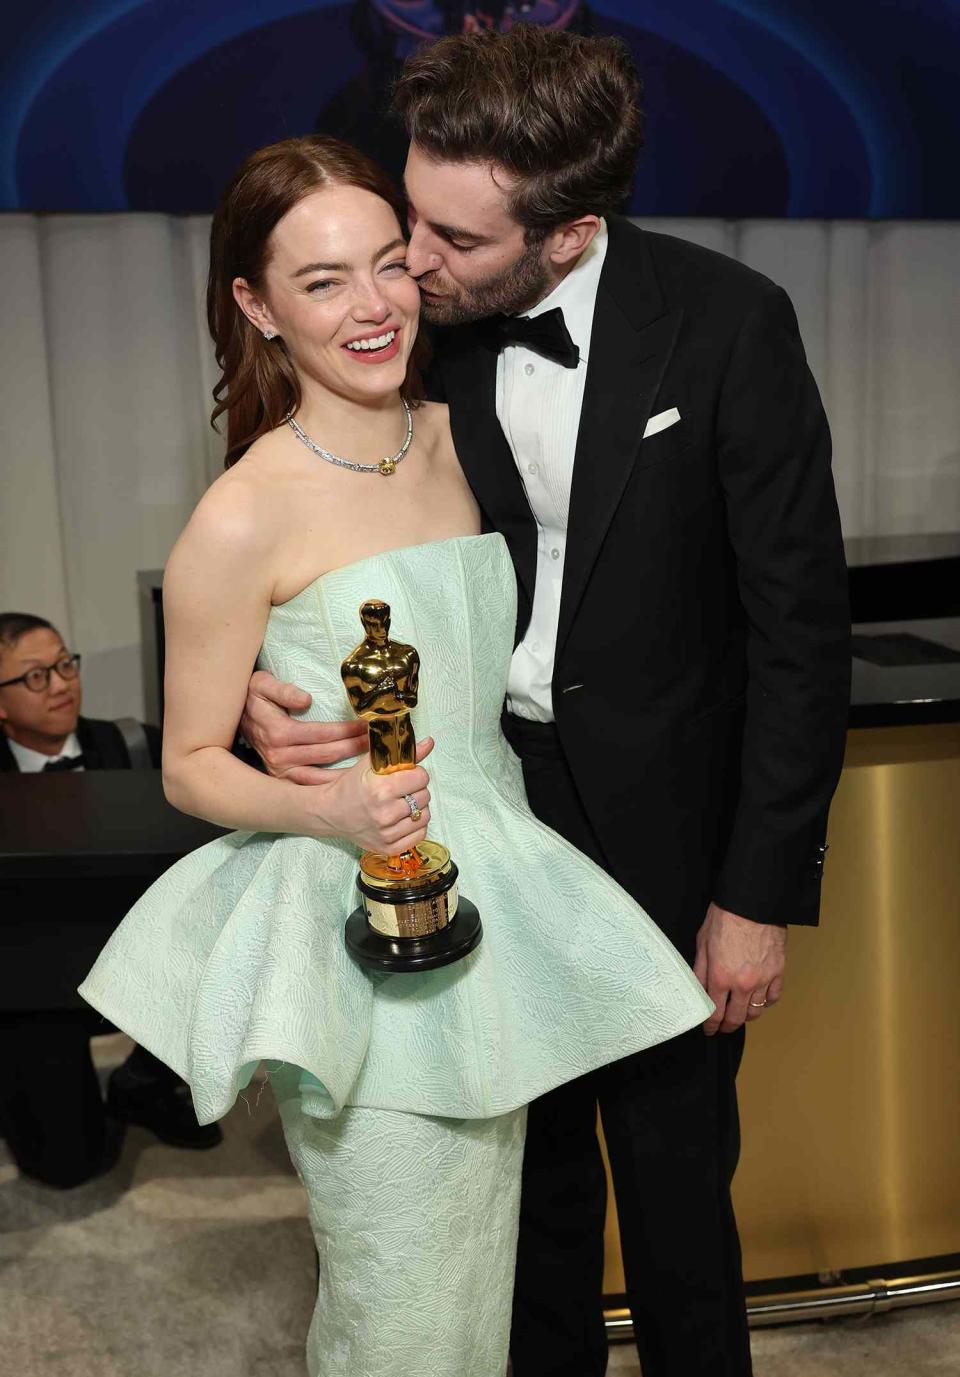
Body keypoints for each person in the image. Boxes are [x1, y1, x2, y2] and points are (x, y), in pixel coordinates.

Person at [240, 26, 852, 1377]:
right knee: (529, 1201)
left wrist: (756, 897)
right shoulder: (406, 334)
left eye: (452, 239)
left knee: (681, 1195)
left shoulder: (730, 325)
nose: (412, 263)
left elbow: (801, 638)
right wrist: (262, 708)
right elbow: (303, 546)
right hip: (481, 813)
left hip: (669, 841)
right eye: (411, 215)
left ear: (569, 231)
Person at [78, 135, 711, 1377]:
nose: (372, 307)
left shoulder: (451, 431)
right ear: (257, 306)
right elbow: (192, 765)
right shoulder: (242, 513)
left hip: (502, 894)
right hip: (358, 926)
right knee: (400, 1305)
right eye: (322, 282)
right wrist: (336, 818)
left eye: (388, 266)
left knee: (485, 1282)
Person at [0, 612, 221, 1188]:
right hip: (28, 984)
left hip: (137, 952)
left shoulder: (135, 745)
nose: (62, 684)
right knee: (68, 1166)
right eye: (35, 677)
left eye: (66, 664)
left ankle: (142, 1083)